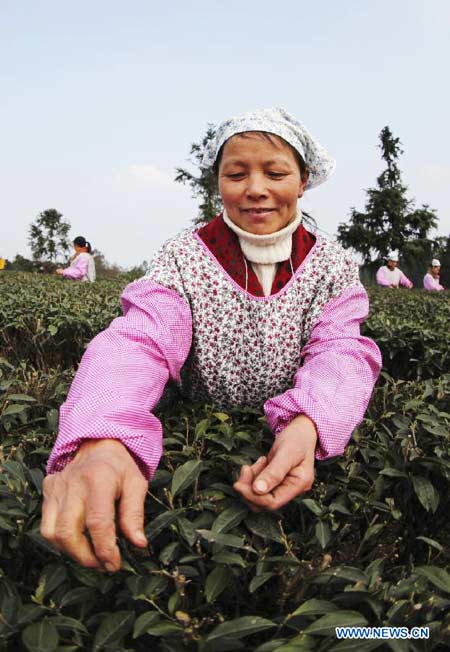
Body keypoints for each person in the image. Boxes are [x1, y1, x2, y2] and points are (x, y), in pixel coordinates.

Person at [41, 107, 382, 573]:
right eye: (236, 173)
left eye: (276, 172)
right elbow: (141, 339)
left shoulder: (332, 264)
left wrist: (311, 422)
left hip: (277, 440)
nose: (256, 188)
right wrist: (102, 434)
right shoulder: (185, 255)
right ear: (218, 181)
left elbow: (340, 351)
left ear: (303, 180)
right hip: (199, 437)